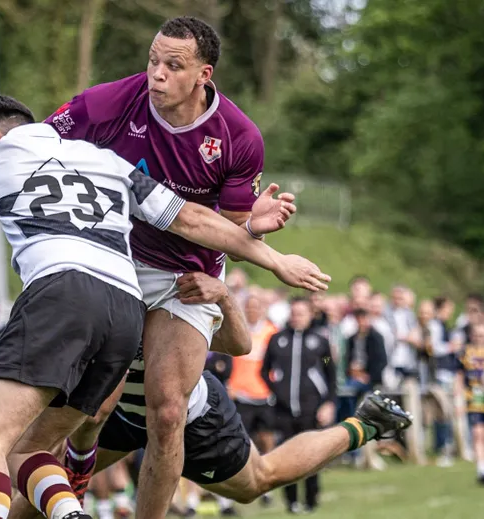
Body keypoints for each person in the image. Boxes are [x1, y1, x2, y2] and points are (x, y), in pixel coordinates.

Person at [0, 95, 328, 519]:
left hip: (61, 289)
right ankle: (71, 513)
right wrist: (275, 259)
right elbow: (194, 220)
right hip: (125, 311)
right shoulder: (105, 159)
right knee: (27, 448)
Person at [40, 16, 307, 517]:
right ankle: (72, 466)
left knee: (167, 412)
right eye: (152, 60)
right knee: (93, 404)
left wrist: (254, 226)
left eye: (173, 65)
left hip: (183, 278)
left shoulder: (238, 135)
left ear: (204, 74)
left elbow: (226, 228)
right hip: (114, 260)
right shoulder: (108, 103)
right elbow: (32, 145)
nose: (156, 74)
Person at [6, 273, 409, 519]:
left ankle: (365, 423)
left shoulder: (175, 286)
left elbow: (239, 344)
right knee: (42, 486)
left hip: (191, 415)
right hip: (123, 414)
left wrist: (224, 296)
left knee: (258, 481)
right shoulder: (96, 291)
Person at [263, 298, 335, 514]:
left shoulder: (319, 341)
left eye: (301, 313)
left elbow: (329, 369)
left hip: (311, 407)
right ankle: (291, 501)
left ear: (310, 314)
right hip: (283, 410)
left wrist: (328, 402)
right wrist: (276, 390)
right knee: (287, 456)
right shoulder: (278, 340)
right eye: (294, 313)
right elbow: (264, 369)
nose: (297, 317)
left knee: (311, 455)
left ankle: (311, 499)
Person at [226, 293, 277, 506]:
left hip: (264, 393)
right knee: (240, 441)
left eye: (256, 307)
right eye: (249, 307)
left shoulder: (271, 332)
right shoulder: (238, 329)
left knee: (266, 439)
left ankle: (268, 482)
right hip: (240, 393)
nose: (252, 311)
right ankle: (240, 483)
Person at [454, 324, 484, 486]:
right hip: (472, 399)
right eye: (477, 335)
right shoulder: (465, 352)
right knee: (477, 433)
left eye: (482, 335)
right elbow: (459, 375)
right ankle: (482, 470)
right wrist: (458, 399)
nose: (479, 338)